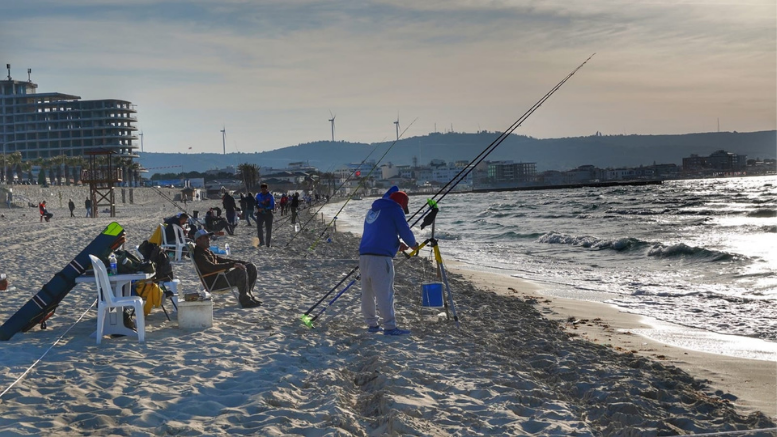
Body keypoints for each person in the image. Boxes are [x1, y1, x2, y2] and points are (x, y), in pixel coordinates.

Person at [358, 186, 418, 336]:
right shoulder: (395, 209)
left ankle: (372, 324)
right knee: (385, 293)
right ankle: (390, 327)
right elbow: (405, 230)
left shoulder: (373, 211)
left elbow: (379, 233)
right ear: (402, 204)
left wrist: (397, 245)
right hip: (381, 259)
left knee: (367, 293)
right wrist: (413, 245)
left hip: (364, 256)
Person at [192, 229, 261, 308]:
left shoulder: (206, 251)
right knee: (240, 271)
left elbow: (222, 260)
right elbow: (211, 267)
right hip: (215, 283)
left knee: (251, 267)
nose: (209, 239)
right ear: (198, 240)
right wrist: (232, 265)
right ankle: (245, 301)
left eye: (208, 237)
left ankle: (250, 295)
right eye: (206, 237)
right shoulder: (199, 255)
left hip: (221, 277)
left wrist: (241, 262)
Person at [255, 183, 275, 247]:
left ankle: (268, 243)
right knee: (259, 228)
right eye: (262, 189)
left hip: (268, 213)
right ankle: (261, 242)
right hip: (260, 214)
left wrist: (265, 208)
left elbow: (272, 206)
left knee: (268, 229)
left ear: (266, 189)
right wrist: (258, 208)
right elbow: (256, 203)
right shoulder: (258, 195)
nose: (263, 191)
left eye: (264, 189)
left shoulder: (270, 196)